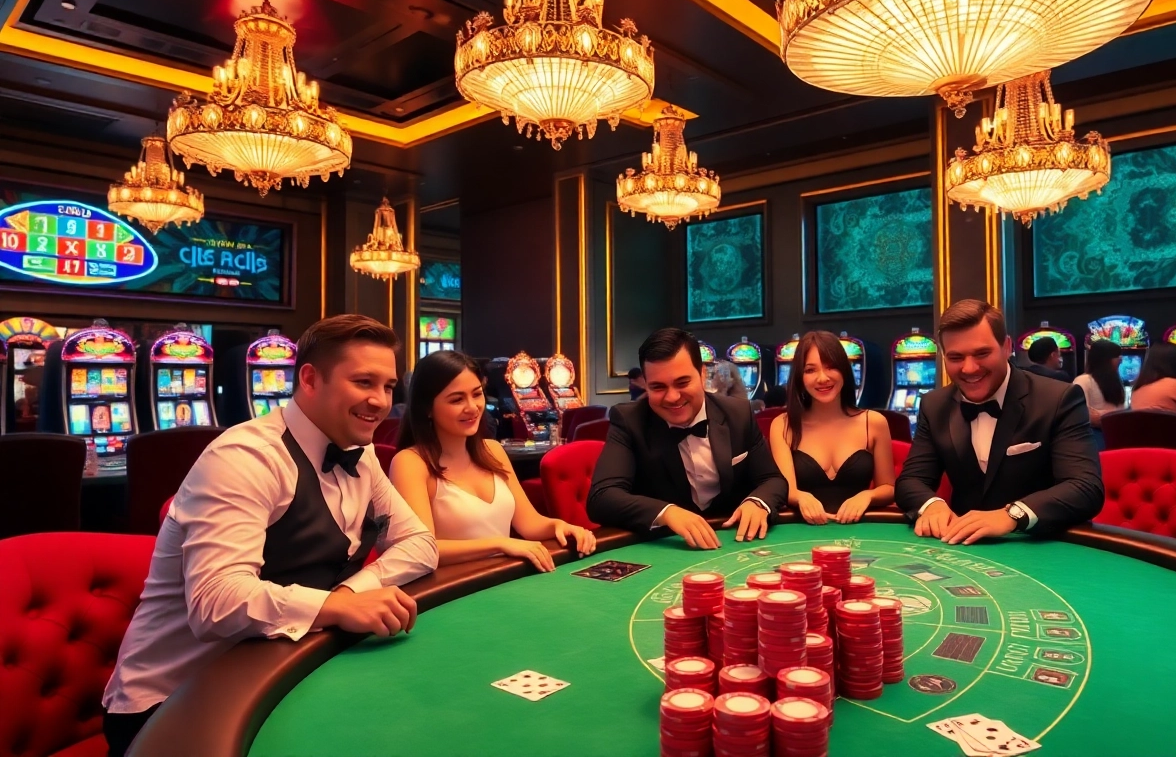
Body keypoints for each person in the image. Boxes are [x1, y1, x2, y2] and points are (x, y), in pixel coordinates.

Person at [102, 315, 437, 757]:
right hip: (172, 700)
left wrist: (348, 594)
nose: (379, 401)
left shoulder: (362, 452)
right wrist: (336, 607)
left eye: (389, 387)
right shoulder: (245, 458)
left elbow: (419, 544)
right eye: (363, 382)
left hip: (279, 662)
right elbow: (216, 603)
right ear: (311, 379)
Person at [895, 300, 1103, 544]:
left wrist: (1012, 514)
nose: (969, 368)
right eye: (955, 357)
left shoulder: (1058, 398)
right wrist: (933, 505)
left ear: (1006, 347)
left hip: (1038, 546)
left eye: (982, 353)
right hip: (963, 549)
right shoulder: (934, 404)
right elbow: (910, 481)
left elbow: (1085, 488)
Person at [390, 350, 596, 571]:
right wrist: (500, 544)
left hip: (501, 578)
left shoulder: (493, 450)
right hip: (449, 590)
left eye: (477, 394)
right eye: (457, 399)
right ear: (427, 408)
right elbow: (422, 549)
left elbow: (530, 524)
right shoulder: (410, 462)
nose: (472, 407)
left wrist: (561, 526)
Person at [587, 328, 787, 549]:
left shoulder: (737, 413)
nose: (672, 397)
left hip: (732, 541)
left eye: (682, 383)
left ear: (702, 374)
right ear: (646, 384)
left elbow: (772, 479)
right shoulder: (629, 420)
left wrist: (757, 502)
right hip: (664, 546)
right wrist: (667, 513)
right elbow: (601, 497)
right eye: (658, 387)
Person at [768, 331, 895, 525]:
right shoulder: (783, 425)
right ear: (800, 377)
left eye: (831, 367)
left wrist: (867, 496)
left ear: (844, 370)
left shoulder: (874, 422)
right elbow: (786, 490)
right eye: (810, 370)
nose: (822, 378)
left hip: (859, 532)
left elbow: (888, 487)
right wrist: (801, 497)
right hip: (801, 532)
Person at [1073, 339, 1126, 448]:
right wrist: (1112, 417)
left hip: (1116, 434)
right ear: (1105, 360)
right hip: (1094, 437)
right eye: (1117, 356)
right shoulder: (1083, 381)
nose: (1121, 360)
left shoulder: (1117, 381)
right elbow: (1081, 414)